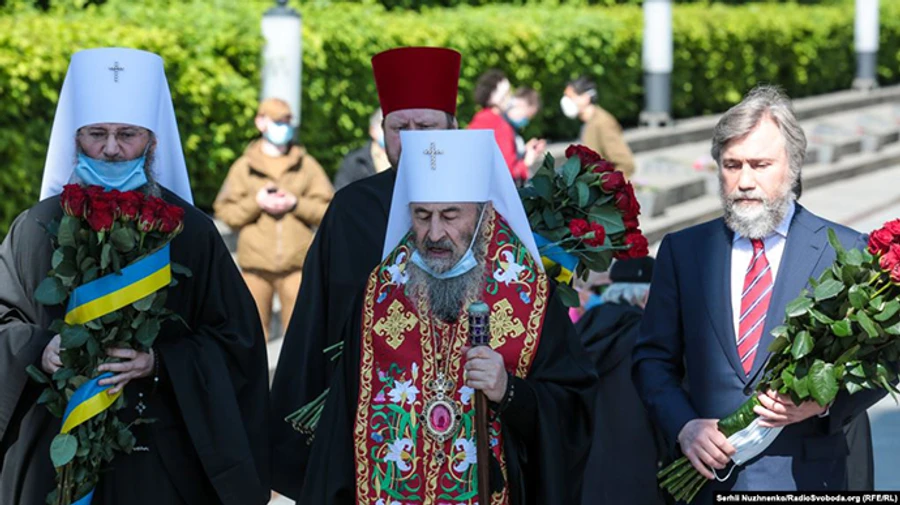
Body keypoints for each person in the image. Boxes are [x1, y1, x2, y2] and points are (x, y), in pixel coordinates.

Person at [0, 48, 270, 505]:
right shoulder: (34, 228)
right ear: (75, 137)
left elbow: (237, 341)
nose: (110, 148)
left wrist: (160, 363)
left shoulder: (193, 232)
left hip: (162, 457)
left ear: (152, 140)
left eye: (127, 134)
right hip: (54, 449)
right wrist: (37, 347)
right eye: (96, 134)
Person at [299, 129, 597, 504]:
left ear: (482, 211)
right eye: (422, 216)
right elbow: (344, 425)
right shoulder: (378, 294)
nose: (434, 234)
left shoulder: (529, 294)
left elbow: (574, 407)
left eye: (450, 215)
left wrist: (509, 390)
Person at [632, 85, 882, 499]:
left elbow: (881, 366)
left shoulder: (847, 251)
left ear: (793, 166)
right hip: (706, 483)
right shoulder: (684, 251)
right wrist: (684, 426)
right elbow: (651, 360)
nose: (744, 181)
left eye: (760, 164)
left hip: (807, 478)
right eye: (732, 165)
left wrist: (822, 403)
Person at [269, 46, 462, 499]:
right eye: (401, 128)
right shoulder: (352, 208)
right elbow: (314, 319)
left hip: (462, 418)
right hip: (363, 423)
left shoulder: (491, 206)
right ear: (382, 132)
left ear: (453, 129)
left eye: (426, 127)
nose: (413, 140)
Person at [213, 97, 333, 341]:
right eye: (277, 121)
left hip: (298, 268)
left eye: (287, 121)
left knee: (302, 338)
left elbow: (329, 211)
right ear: (260, 122)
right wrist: (255, 203)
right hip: (254, 269)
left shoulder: (307, 165)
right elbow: (225, 211)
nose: (283, 127)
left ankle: (295, 381)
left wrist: (296, 203)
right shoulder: (243, 166)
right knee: (249, 338)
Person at [575, 257, 666, 505]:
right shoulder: (649, 337)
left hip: (584, 480)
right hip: (640, 475)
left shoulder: (578, 331)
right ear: (648, 297)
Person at [468, 70, 545, 187]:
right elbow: (508, 172)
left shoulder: (479, 118)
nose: (511, 99)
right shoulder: (499, 125)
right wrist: (526, 162)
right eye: (507, 94)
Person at [561, 76, 635, 179]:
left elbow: (625, 163)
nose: (566, 101)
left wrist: (606, 187)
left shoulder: (602, 123)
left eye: (570, 97)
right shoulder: (588, 122)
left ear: (585, 98)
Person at [333, 108, 391, 191]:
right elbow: (341, 194)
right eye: (382, 125)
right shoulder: (355, 161)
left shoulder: (407, 158)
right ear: (372, 130)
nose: (386, 131)